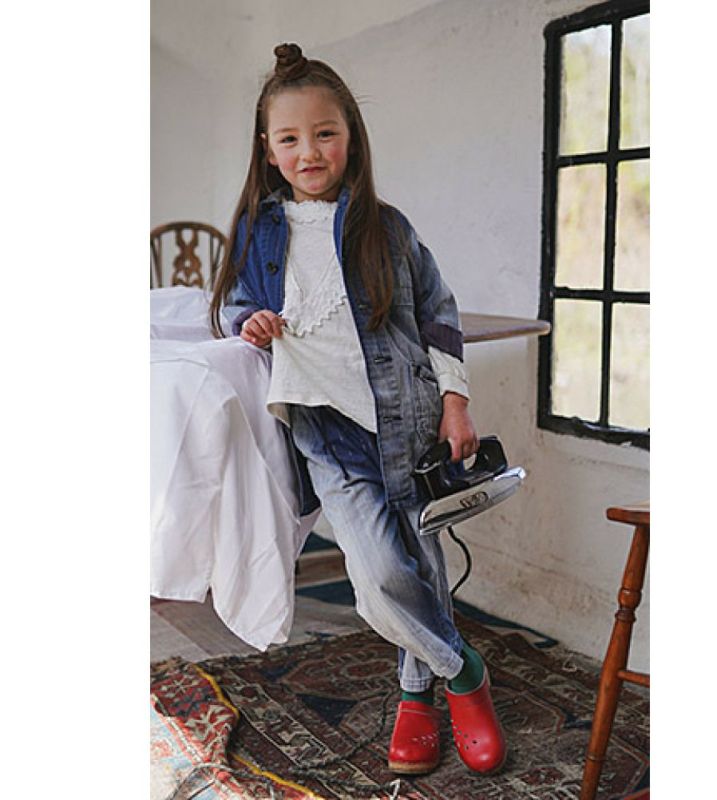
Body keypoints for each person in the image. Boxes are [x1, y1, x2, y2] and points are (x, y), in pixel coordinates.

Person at [209, 42, 506, 776]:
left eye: (325, 133)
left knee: (421, 562)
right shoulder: (256, 231)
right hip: (325, 433)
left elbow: (438, 313)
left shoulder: (389, 227)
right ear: (268, 150)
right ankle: (464, 671)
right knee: (377, 577)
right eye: (290, 139)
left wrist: (456, 402)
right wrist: (249, 322)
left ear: (351, 137)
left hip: (407, 420)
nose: (309, 152)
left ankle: (416, 697)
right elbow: (234, 305)